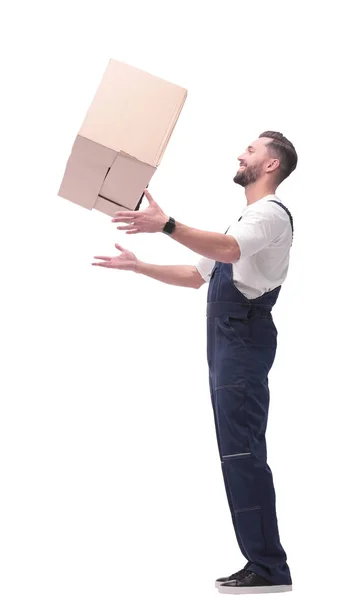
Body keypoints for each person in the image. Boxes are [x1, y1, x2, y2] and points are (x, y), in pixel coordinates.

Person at [92, 131, 297, 595]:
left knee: (243, 451)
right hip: (229, 342)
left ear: (271, 166)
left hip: (242, 340)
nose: (240, 153)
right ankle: (261, 562)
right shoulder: (246, 219)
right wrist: (139, 266)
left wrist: (167, 225)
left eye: (251, 149)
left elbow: (227, 252)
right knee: (236, 452)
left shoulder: (268, 214)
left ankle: (269, 567)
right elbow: (194, 276)